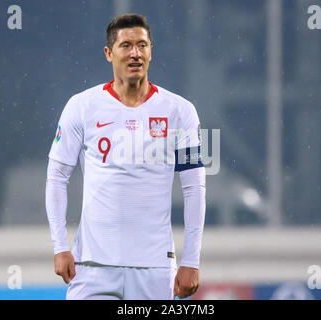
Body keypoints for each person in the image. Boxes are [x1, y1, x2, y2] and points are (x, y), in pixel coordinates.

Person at [45, 13, 206, 300]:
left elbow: (194, 188)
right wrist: (60, 246)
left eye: (142, 45)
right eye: (126, 45)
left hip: (155, 269)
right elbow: (56, 177)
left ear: (151, 51)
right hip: (92, 267)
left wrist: (191, 260)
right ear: (109, 53)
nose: (135, 53)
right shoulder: (82, 107)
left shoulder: (180, 111)